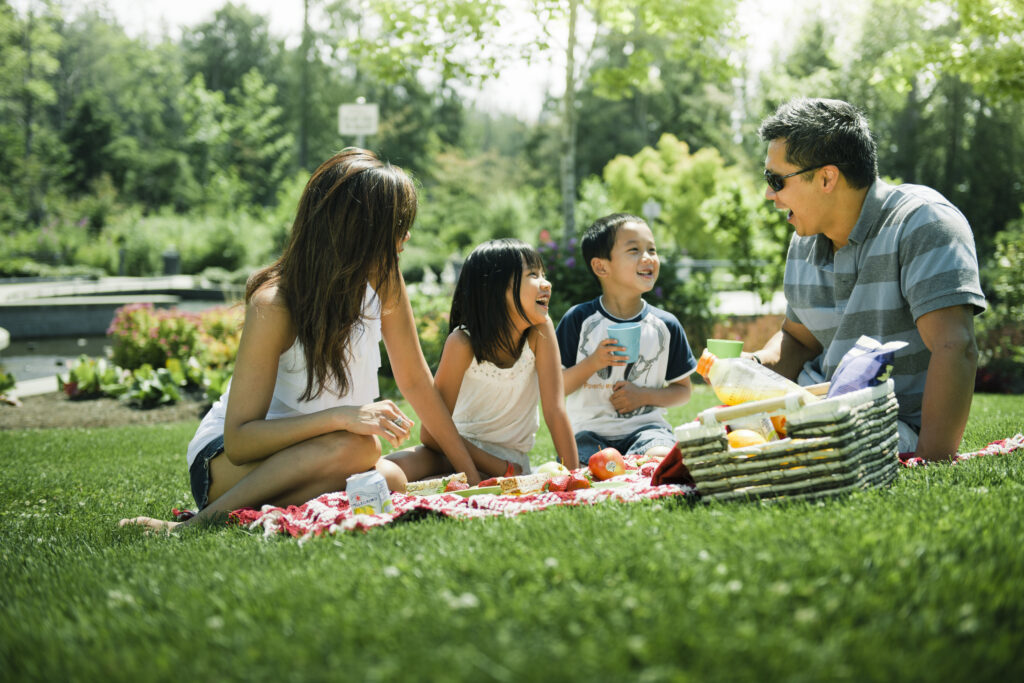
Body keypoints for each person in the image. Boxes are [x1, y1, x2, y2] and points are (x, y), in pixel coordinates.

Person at [120, 148, 480, 532]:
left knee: (389, 478)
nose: (406, 237)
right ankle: (195, 525)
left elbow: (415, 381)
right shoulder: (275, 304)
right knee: (363, 451)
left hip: (328, 453)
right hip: (228, 466)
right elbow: (241, 441)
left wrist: (472, 476)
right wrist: (341, 418)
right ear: (359, 231)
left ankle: (291, 498)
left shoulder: (385, 281)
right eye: (397, 225)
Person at [752, 97, 987, 460]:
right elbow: (798, 340)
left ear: (827, 177)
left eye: (776, 180)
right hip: (811, 412)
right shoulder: (803, 241)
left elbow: (955, 347)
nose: (769, 194)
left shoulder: (923, 222)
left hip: (886, 424)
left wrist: (930, 461)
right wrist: (752, 369)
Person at [388, 239, 579, 480]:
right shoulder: (462, 343)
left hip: (511, 462)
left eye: (543, 273)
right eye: (533, 274)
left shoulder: (540, 331)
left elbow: (555, 411)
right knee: (388, 469)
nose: (546, 283)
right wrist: (498, 468)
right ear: (496, 289)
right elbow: (432, 434)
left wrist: (576, 477)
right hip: (455, 450)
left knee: (420, 478)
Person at [555, 213, 697, 464]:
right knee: (581, 467)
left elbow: (683, 391)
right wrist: (593, 363)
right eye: (634, 250)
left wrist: (643, 396)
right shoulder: (579, 320)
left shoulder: (666, 325)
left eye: (652, 250)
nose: (648, 258)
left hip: (647, 431)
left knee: (661, 458)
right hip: (587, 432)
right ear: (601, 266)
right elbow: (557, 388)